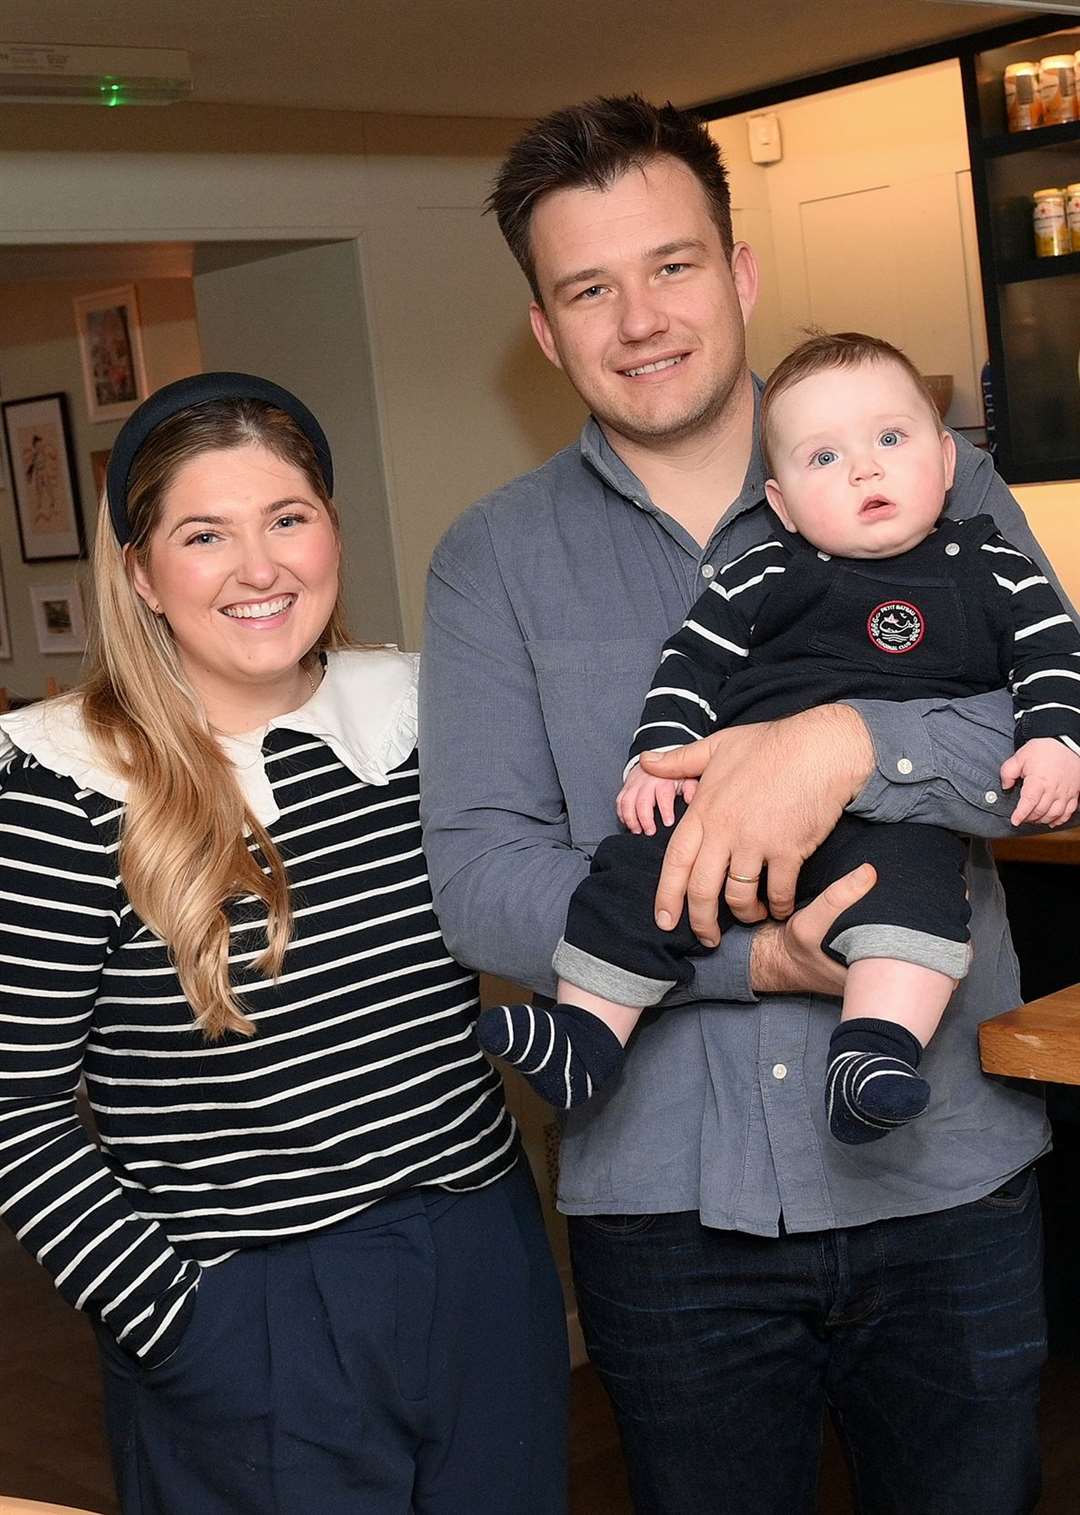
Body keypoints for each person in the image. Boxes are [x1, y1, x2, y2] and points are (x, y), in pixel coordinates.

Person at [419, 95, 1068, 1513]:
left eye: (671, 265)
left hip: (945, 1172)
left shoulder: (942, 485)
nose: (640, 317)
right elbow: (480, 874)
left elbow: (1055, 740)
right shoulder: (493, 561)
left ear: (742, 274)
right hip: (666, 1212)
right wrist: (747, 958)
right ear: (545, 327)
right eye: (589, 287)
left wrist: (849, 738)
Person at [0, 372, 567, 1515]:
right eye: (205, 535)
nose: (260, 569)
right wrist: (174, 1322)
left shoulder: (422, 712)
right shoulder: (63, 780)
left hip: (478, 1256)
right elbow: (15, 1110)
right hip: (243, 1308)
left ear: (332, 534)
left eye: (288, 520)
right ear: (143, 573)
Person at [476, 331, 1080, 1142]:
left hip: (894, 823)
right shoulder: (765, 570)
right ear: (784, 503)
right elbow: (690, 663)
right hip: (729, 816)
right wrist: (654, 759)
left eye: (891, 440)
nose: (865, 467)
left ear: (946, 460)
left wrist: (1052, 740)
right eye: (824, 459)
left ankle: (875, 1054)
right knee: (634, 870)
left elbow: (1053, 655)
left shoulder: (993, 566)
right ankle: (589, 1035)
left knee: (922, 906)